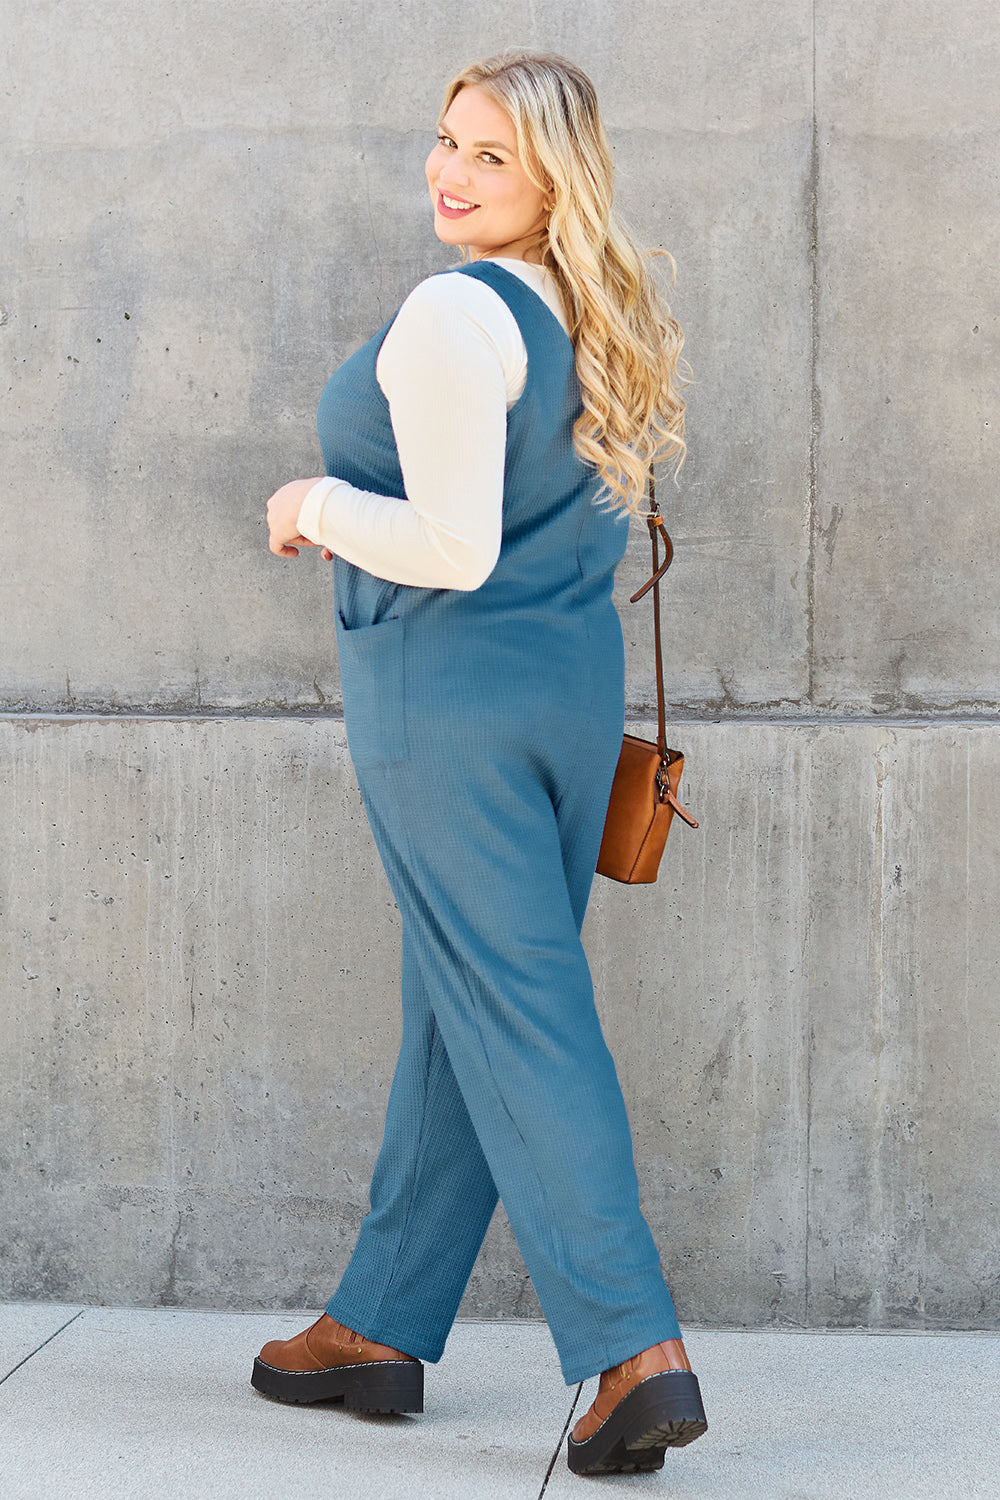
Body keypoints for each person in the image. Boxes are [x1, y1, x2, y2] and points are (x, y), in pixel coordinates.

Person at [255, 49, 706, 1477]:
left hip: (446, 709)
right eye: (446, 142)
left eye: (491, 157)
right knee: (468, 1003)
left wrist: (312, 501)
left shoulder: (457, 309)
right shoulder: (592, 306)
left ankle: (635, 1349)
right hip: (567, 706)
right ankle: (379, 1323)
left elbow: (449, 546)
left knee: (519, 1012)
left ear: (552, 178)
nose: (450, 174)